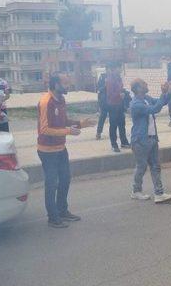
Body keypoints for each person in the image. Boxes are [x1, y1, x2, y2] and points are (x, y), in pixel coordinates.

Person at [37, 72, 95, 228]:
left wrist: (81, 123)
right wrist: (68, 131)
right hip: (47, 151)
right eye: (66, 83)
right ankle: (52, 218)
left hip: (60, 148)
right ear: (56, 84)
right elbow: (44, 129)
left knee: (65, 180)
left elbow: (63, 122)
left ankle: (63, 211)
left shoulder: (61, 99)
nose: (68, 86)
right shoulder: (46, 102)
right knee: (51, 183)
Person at [129, 77, 171, 203]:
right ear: (138, 88)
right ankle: (136, 191)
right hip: (140, 140)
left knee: (156, 166)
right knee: (141, 166)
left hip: (152, 138)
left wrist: (168, 92)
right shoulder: (135, 104)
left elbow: (161, 103)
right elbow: (155, 109)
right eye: (144, 84)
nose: (146, 85)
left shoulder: (146, 99)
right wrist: (164, 94)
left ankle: (159, 193)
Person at [105, 62, 130, 152]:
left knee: (122, 124)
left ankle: (124, 142)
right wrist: (119, 95)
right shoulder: (109, 80)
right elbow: (110, 94)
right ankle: (114, 144)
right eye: (119, 68)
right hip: (113, 105)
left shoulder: (118, 78)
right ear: (114, 69)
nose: (120, 70)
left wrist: (123, 93)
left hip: (120, 104)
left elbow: (120, 89)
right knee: (113, 125)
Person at [95, 68, 108, 140]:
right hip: (104, 100)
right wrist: (105, 86)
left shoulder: (115, 76)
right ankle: (98, 133)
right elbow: (99, 89)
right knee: (103, 116)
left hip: (112, 99)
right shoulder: (102, 77)